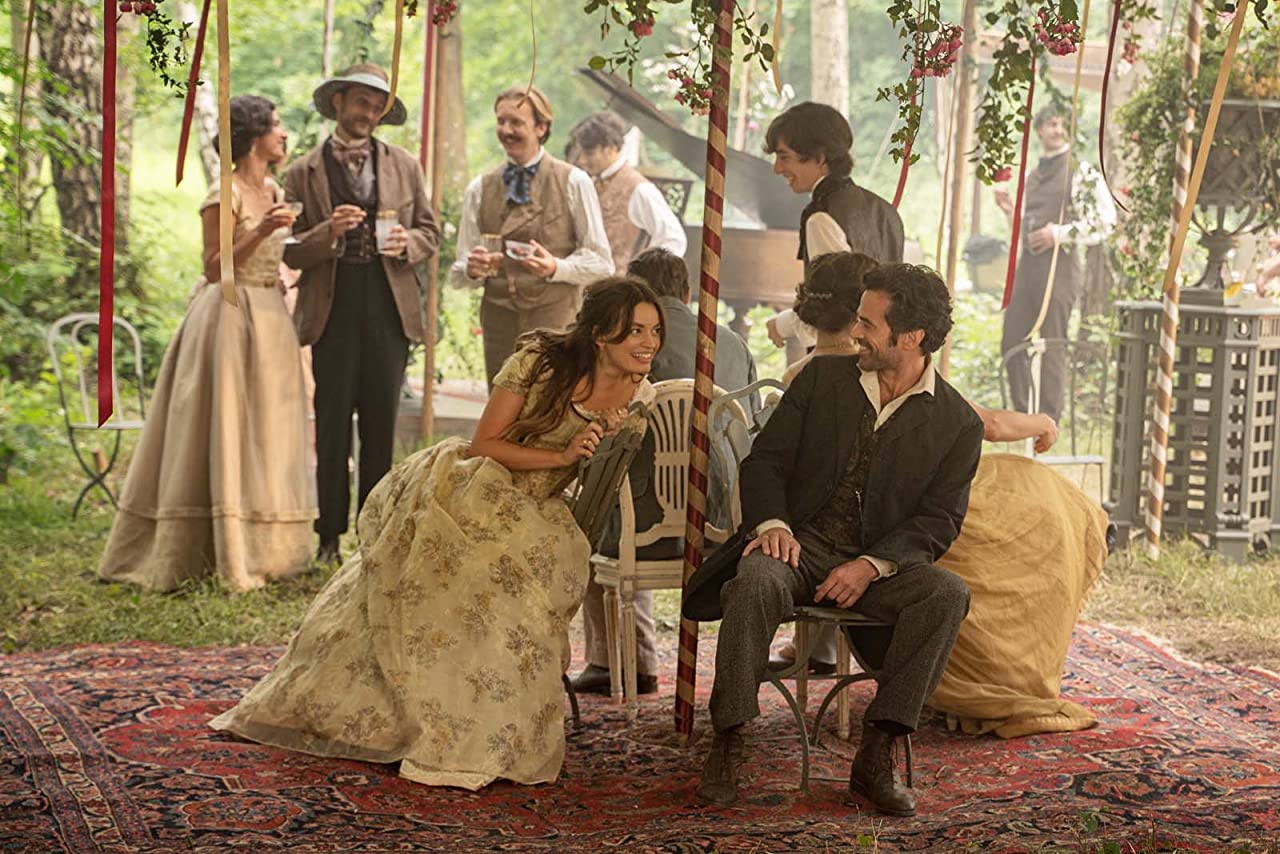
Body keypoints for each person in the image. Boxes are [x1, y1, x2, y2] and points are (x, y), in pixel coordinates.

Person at [211, 278, 662, 790]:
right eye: (635, 332)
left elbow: (605, 474)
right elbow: (484, 444)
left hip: (541, 510)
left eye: (654, 331)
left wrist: (604, 442)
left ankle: (493, 731)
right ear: (601, 335)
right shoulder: (540, 363)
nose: (649, 343)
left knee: (518, 596)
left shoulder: (638, 391)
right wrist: (560, 455)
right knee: (448, 585)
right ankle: (423, 718)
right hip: (478, 483)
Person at [683, 263, 982, 816]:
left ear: (911, 336)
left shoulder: (958, 423)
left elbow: (939, 521)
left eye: (868, 323)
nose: (855, 333)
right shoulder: (822, 380)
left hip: (873, 569)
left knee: (946, 594)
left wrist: (872, 565)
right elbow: (766, 463)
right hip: (798, 544)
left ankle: (877, 752)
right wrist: (772, 525)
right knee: (753, 580)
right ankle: (728, 740)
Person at [778, 252, 1108, 740]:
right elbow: (989, 425)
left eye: (869, 321)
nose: (862, 331)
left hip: (909, 507)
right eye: (864, 318)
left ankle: (910, 704)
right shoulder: (836, 380)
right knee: (1040, 510)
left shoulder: (805, 372)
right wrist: (1043, 423)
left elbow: (968, 425)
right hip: (909, 512)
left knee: (1039, 499)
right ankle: (1000, 673)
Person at [98, 95, 316, 592]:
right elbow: (213, 266)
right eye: (275, 125)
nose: (283, 134)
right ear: (253, 135)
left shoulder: (275, 188)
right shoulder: (227, 191)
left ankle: (270, 552)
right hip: (229, 316)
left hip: (270, 315)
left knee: (265, 429)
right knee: (225, 426)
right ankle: (212, 550)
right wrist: (260, 230)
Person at [572, 248, 756, 697]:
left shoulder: (621, 347)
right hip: (723, 523)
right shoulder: (730, 343)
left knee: (590, 507)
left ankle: (618, 660)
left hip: (636, 522)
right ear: (689, 293)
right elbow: (749, 427)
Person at [284, 63, 441, 567]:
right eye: (361, 104)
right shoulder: (302, 171)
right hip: (332, 307)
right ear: (338, 103)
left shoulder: (405, 166)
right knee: (331, 426)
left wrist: (406, 244)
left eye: (378, 107)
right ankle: (327, 537)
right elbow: (288, 251)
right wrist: (327, 232)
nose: (369, 114)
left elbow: (430, 234)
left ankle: (373, 539)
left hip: (387, 305)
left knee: (380, 426)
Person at [449, 85, 614, 388]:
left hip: (555, 323)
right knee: (500, 416)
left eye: (516, 123)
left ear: (541, 127)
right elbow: (459, 273)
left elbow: (602, 262)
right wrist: (472, 269)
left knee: (550, 414)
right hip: (498, 323)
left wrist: (556, 267)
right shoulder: (480, 188)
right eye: (501, 121)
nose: (506, 130)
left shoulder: (574, 181)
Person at [995, 105, 1117, 421]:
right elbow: (1024, 228)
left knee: (1053, 343)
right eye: (1051, 124)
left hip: (1060, 268)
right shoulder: (1031, 175)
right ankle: (1023, 413)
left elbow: (1106, 221)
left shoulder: (1082, 171)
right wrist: (1010, 211)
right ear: (1039, 130)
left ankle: (1049, 419)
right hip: (1029, 268)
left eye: (1063, 125)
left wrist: (1059, 233)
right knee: (1012, 341)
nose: (1057, 130)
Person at [762, 101, 905, 355]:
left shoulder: (821, 219)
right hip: (888, 355)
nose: (777, 169)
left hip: (846, 362)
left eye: (784, 157)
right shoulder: (885, 210)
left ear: (820, 157)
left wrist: (782, 325)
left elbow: (833, 306)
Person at [566, 111, 688, 270]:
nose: (581, 161)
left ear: (611, 148)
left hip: (624, 291)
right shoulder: (590, 183)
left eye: (589, 154)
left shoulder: (640, 189)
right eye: (581, 153)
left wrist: (646, 277)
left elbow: (673, 239)